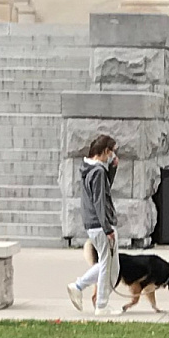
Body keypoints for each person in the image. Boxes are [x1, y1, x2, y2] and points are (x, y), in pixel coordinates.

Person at [67, 134, 120, 315]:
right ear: (105, 151)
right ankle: (102, 305)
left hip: (94, 223)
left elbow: (103, 191)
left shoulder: (90, 168)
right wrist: (107, 228)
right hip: (100, 224)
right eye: (111, 151)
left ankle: (79, 286)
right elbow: (100, 201)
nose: (113, 155)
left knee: (111, 266)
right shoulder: (97, 172)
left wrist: (112, 169)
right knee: (108, 264)